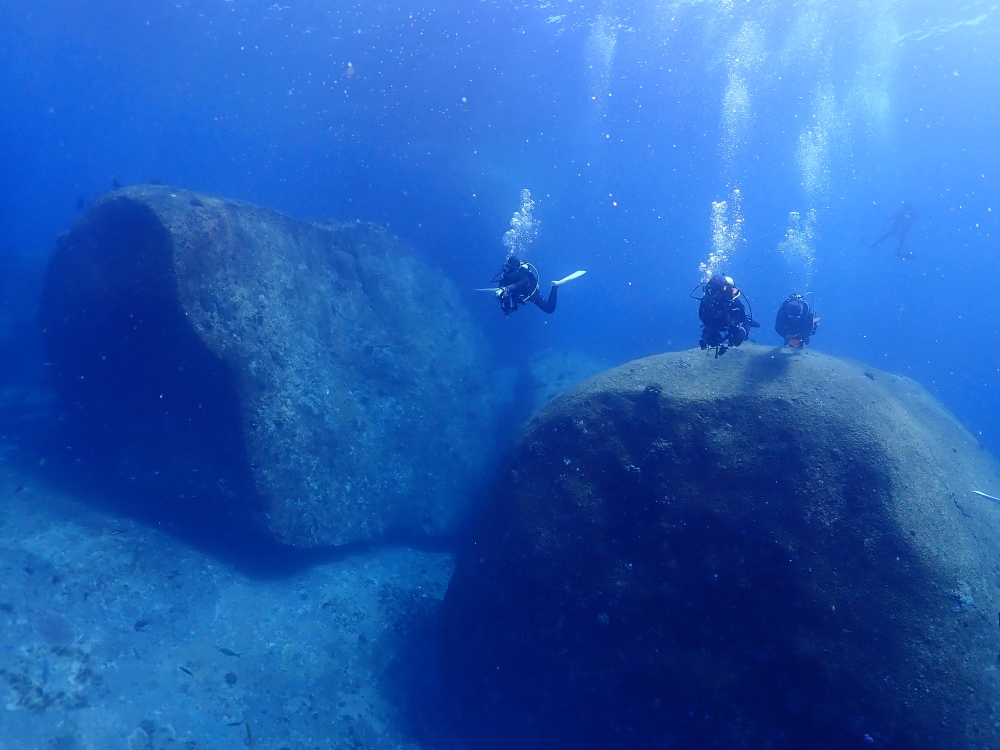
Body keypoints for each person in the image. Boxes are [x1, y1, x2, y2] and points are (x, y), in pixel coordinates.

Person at [489, 256, 585, 316]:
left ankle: (555, 286)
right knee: (506, 305)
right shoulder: (506, 273)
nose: (507, 271)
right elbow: (502, 284)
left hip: (530, 291)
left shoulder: (522, 272)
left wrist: (504, 289)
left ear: (517, 269)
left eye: (510, 270)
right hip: (518, 293)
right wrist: (500, 294)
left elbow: (523, 282)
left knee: (549, 309)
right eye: (506, 268)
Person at [694, 274, 759, 357]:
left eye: (714, 289)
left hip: (728, 323)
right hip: (714, 323)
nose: (711, 292)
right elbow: (703, 318)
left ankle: (746, 324)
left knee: (737, 340)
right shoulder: (706, 301)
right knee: (711, 341)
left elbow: (740, 315)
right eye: (710, 289)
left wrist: (735, 324)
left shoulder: (732, 302)